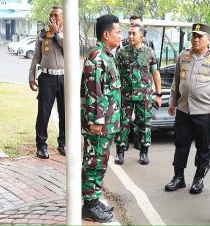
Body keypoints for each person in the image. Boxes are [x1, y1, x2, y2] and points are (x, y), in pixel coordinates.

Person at [164, 23, 210, 194]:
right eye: (194, 36)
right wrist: (172, 102)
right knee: (180, 144)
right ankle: (178, 177)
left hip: (205, 112)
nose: (196, 39)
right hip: (184, 109)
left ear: (208, 39)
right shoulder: (183, 56)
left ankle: (199, 179)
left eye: (200, 36)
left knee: (203, 147)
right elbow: (176, 81)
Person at [81, 14, 121, 223]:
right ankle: (89, 205)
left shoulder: (107, 55)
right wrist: (96, 121)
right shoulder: (97, 56)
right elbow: (93, 91)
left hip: (108, 122)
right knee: (94, 162)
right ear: (106, 34)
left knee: (101, 162)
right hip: (99, 124)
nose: (120, 36)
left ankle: (94, 200)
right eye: (117, 32)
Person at [114, 24, 162, 165]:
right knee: (123, 122)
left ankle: (144, 153)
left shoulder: (149, 52)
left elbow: (155, 73)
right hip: (125, 94)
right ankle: (120, 152)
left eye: (133, 34)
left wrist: (158, 94)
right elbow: (116, 74)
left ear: (141, 36)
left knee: (144, 123)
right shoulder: (121, 52)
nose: (130, 36)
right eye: (129, 33)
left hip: (144, 95)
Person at [29, 6, 65, 159]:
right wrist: (31, 76)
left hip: (64, 78)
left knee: (65, 113)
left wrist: (57, 33)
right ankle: (41, 146)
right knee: (43, 113)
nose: (53, 18)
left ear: (63, 17)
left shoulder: (68, 34)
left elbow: (69, 49)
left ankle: (63, 143)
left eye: (56, 15)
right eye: (51, 15)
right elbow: (36, 57)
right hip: (46, 78)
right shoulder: (43, 34)